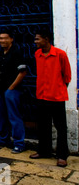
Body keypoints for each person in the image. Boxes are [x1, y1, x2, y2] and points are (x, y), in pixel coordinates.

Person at [30, 29, 71, 167]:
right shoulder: (38, 54)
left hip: (57, 97)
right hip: (42, 95)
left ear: (46, 39)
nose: (35, 42)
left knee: (60, 127)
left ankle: (62, 155)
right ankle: (44, 151)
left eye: (37, 39)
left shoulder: (60, 54)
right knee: (43, 125)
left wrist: (57, 87)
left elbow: (67, 75)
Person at [0, 30, 27, 153]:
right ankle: (3, 140)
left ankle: (19, 143)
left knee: (14, 117)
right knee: (2, 117)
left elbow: (23, 72)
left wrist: (11, 88)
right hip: (0, 89)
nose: (2, 41)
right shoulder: (1, 53)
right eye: (0, 38)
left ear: (11, 39)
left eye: (5, 38)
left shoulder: (16, 52)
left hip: (12, 91)